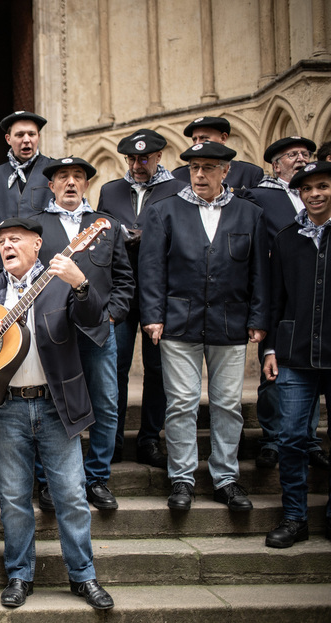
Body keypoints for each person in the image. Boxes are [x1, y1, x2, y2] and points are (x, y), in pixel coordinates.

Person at [0, 216, 113, 611]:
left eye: (16, 239)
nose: (6, 246)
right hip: (5, 408)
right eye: (1, 242)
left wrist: (80, 283)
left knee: (70, 495)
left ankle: (84, 577)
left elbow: (94, 322)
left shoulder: (60, 282)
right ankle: (19, 575)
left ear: (38, 245)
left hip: (55, 406)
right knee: (14, 498)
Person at [140, 141, 268, 512]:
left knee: (228, 404)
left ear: (225, 172)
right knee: (180, 403)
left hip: (231, 322)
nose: (199, 174)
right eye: (194, 167)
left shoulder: (249, 214)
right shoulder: (164, 210)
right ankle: (182, 478)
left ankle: (226, 479)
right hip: (179, 322)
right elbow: (151, 269)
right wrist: (153, 315)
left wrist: (258, 318)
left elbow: (259, 271)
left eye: (209, 168)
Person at [31, 156, 134, 511]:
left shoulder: (105, 225)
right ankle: (49, 482)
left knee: (105, 405)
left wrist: (111, 318)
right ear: (52, 185)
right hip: (53, 335)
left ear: (88, 184)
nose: (71, 182)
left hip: (98, 334)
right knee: (51, 407)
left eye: (78, 176)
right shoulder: (35, 226)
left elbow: (124, 280)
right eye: (63, 177)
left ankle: (97, 478)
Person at [96, 129, 186, 468]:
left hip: (160, 296)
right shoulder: (110, 190)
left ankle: (149, 440)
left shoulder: (177, 190)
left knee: (157, 369)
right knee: (114, 369)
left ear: (159, 157)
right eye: (131, 158)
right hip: (119, 295)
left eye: (143, 158)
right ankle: (112, 441)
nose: (137, 164)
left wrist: (147, 237)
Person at [245, 136, 328, 471]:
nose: (299, 157)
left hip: (318, 302)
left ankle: (309, 441)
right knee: (276, 380)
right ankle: (271, 440)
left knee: (309, 382)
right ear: (275, 164)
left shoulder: (318, 195)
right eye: (291, 154)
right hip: (281, 295)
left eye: (304, 153)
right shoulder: (260, 196)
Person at [262, 161, 331, 547]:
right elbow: (276, 299)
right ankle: (294, 517)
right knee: (290, 438)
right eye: (307, 189)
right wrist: (269, 347)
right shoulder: (287, 237)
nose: (315, 194)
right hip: (294, 353)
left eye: (323, 186)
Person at [0, 111, 54, 222]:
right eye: (19, 135)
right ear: (8, 139)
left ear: (38, 137)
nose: (26, 140)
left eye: (31, 134)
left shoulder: (54, 170)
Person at [172, 116, 265, 190]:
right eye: (194, 139)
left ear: (223, 138)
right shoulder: (178, 176)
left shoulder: (248, 173)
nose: (198, 144)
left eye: (204, 138)